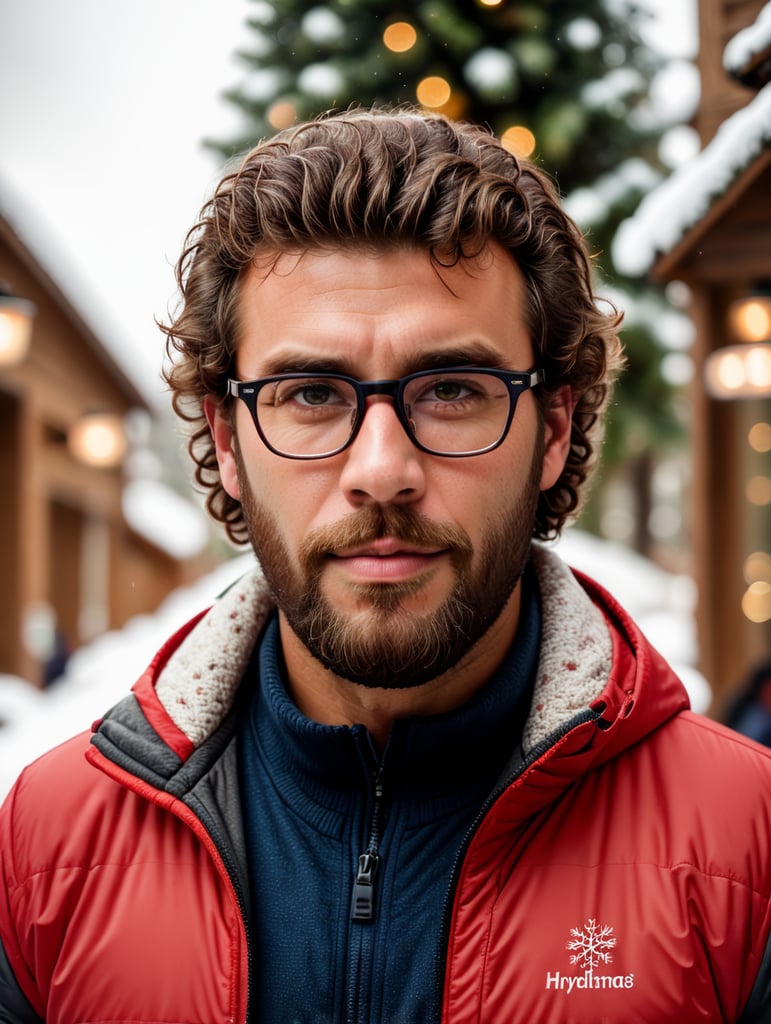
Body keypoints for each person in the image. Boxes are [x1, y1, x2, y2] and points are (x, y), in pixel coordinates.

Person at [1, 108, 770, 1024]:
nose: (380, 472)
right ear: (228, 439)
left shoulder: (744, 847)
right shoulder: (47, 847)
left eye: (450, 389)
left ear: (554, 428)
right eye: (311, 394)